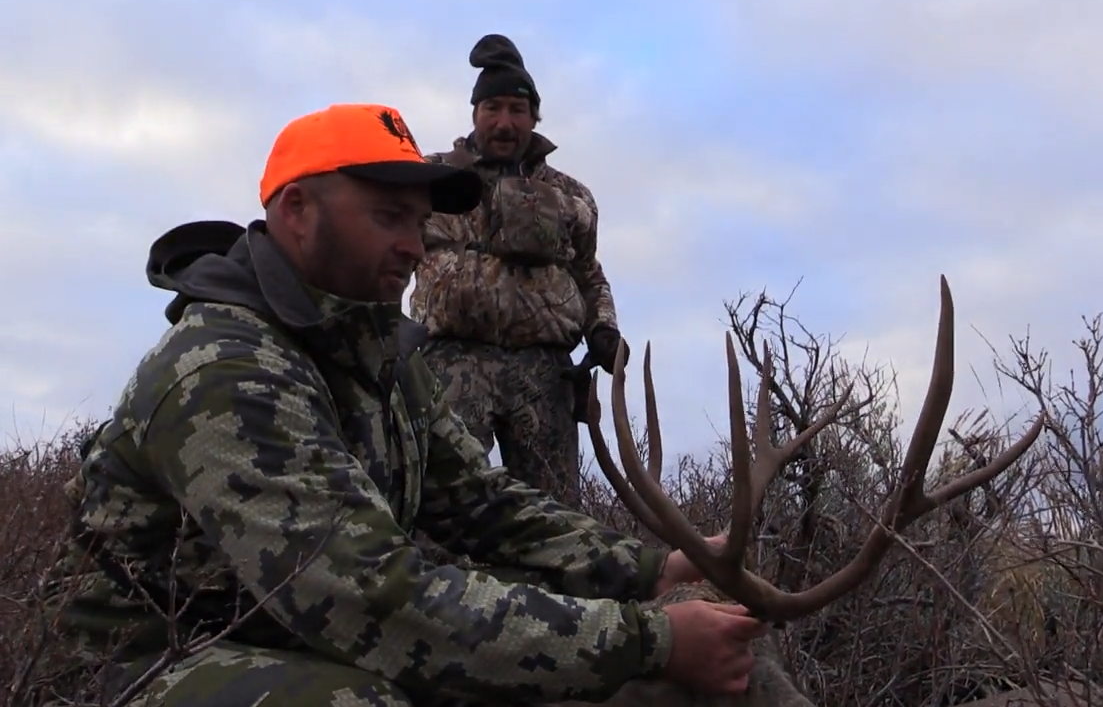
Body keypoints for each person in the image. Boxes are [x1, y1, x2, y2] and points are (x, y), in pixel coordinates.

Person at [40, 103, 766, 707]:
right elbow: (371, 599)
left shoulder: (380, 352)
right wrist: (650, 643)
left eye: (420, 224)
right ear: (297, 210)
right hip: (155, 664)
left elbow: (484, 504)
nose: (415, 247)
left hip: (296, 635)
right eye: (390, 217)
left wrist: (647, 572)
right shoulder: (226, 371)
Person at [408, 34, 623, 506]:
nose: (505, 122)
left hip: (542, 373)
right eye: (493, 108)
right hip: (450, 364)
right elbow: (389, 256)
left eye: (517, 110)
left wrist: (604, 329)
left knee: (555, 512)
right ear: (475, 114)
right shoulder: (432, 178)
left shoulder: (572, 195)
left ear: (534, 118)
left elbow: (589, 274)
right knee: (442, 505)